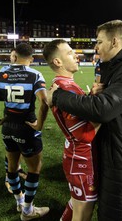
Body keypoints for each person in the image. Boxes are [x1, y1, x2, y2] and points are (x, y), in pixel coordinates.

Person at [46, 20, 122, 221]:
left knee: (113, 215)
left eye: (99, 41)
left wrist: (57, 97)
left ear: (114, 42)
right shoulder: (116, 67)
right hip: (112, 152)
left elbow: (102, 110)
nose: (96, 47)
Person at [0, 43, 50, 220]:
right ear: (31, 59)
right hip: (26, 128)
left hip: (8, 127)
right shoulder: (35, 74)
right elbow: (45, 102)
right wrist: (39, 125)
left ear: (15, 56)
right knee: (34, 169)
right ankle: (27, 211)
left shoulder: (2, 73)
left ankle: (19, 202)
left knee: (12, 167)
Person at [43, 39, 101, 221]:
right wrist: (105, 109)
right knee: (83, 213)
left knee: (76, 203)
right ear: (58, 62)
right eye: (69, 53)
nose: (76, 55)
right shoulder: (67, 89)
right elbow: (83, 134)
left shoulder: (62, 84)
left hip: (76, 156)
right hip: (82, 159)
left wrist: (92, 97)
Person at [4, 48, 27, 194]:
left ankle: (17, 169)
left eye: (14, 55)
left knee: (23, 149)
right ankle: (9, 175)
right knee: (12, 149)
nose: (12, 58)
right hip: (12, 118)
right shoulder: (4, 72)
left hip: (25, 117)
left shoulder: (28, 72)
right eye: (11, 55)